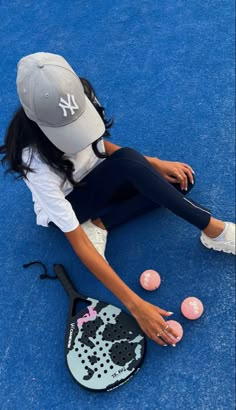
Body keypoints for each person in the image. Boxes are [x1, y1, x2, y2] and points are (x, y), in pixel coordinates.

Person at [0, 52, 235, 347]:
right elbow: (77, 242)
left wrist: (153, 163)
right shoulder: (33, 161)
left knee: (179, 182)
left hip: (100, 176)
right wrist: (136, 305)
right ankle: (216, 231)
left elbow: (95, 143)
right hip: (72, 203)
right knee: (128, 162)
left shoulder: (80, 95)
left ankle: (101, 223)